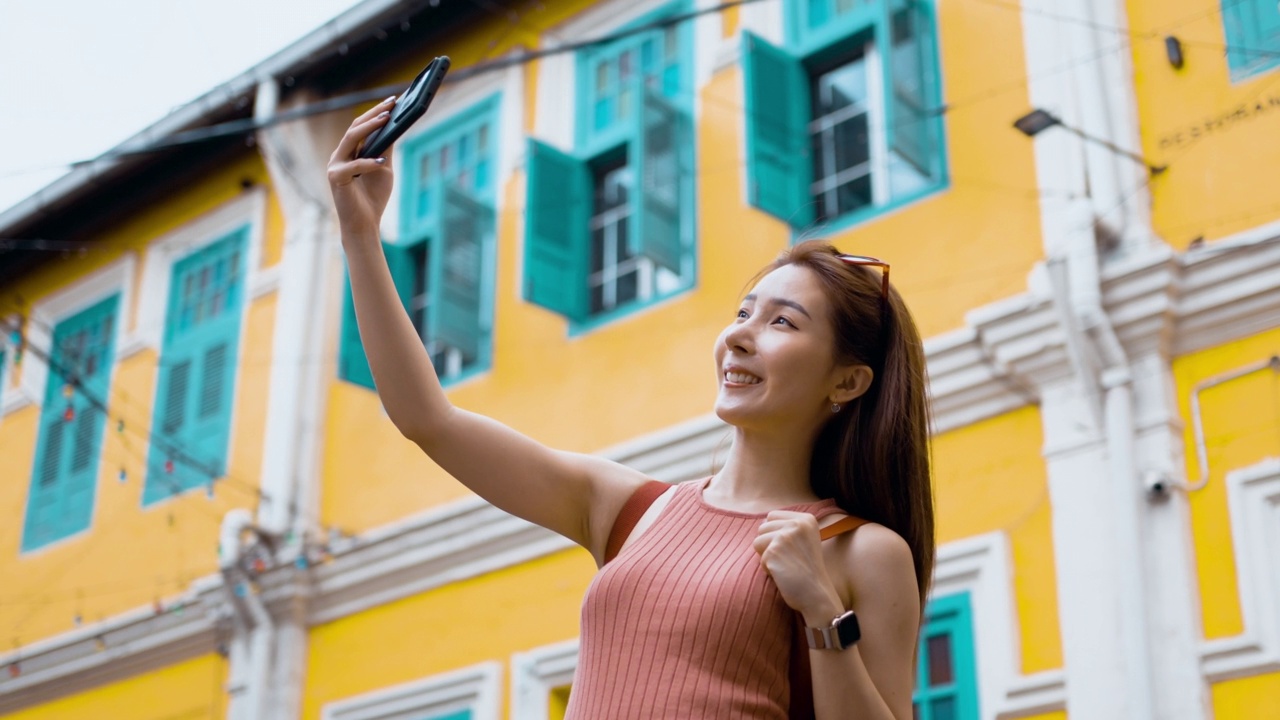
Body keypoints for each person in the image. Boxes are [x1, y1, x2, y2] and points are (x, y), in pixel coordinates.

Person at [328, 97, 935, 720]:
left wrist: (821, 612)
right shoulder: (632, 511)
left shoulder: (860, 551)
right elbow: (428, 420)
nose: (740, 335)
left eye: (783, 322)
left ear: (849, 382)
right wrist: (359, 233)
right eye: (743, 313)